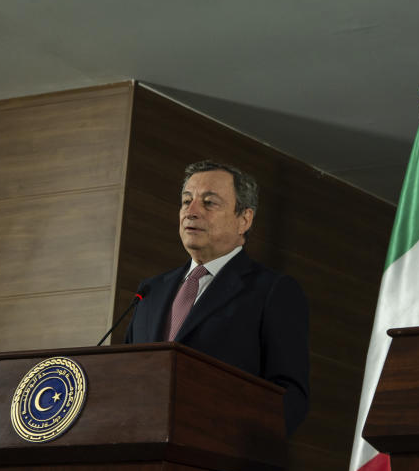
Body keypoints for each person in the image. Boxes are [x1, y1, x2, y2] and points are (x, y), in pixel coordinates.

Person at [125, 160, 309, 434]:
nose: (191, 211)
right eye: (186, 201)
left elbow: (289, 396)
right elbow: (125, 376)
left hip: (218, 460)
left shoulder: (272, 290)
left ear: (244, 219)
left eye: (209, 203)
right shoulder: (151, 290)